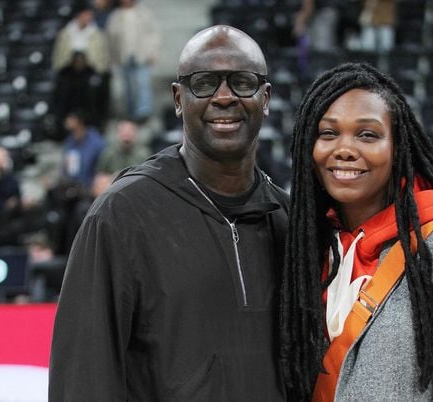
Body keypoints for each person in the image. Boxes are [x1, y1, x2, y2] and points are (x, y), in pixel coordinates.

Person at [49, 25, 289, 401]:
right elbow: (83, 377)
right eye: (204, 82)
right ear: (178, 99)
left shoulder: (288, 220)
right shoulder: (120, 216)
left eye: (242, 82)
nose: (224, 97)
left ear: (266, 97)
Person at [279, 62, 433, 401]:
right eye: (328, 133)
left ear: (397, 148)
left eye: (367, 134)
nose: (344, 149)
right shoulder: (307, 247)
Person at [106, 0, 160, 122]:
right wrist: (111, 57)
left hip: (141, 54)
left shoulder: (144, 13)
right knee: (128, 86)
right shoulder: (115, 16)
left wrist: (153, 52)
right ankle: (131, 112)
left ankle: (143, 111)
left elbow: (152, 34)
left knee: (143, 83)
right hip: (123, 56)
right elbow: (110, 38)